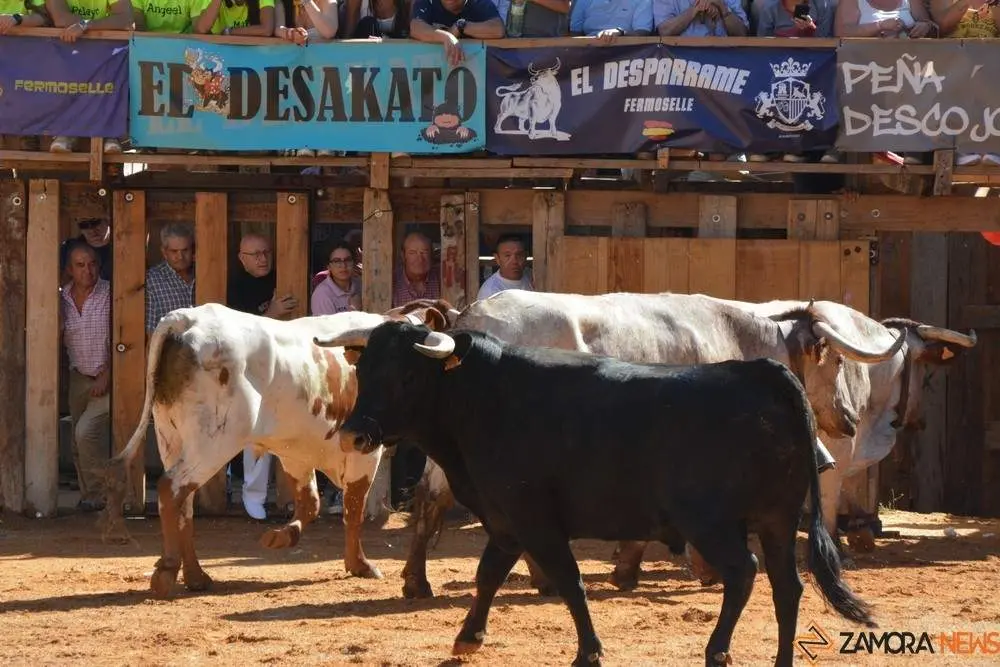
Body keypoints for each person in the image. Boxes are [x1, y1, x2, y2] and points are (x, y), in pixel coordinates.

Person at [227, 233, 299, 520]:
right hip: (249, 372)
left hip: (288, 366)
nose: (262, 258)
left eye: (266, 252)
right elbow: (240, 333)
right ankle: (253, 494)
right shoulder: (235, 287)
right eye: (254, 254)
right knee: (255, 434)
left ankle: (298, 496)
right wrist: (273, 312)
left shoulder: (286, 276)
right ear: (241, 258)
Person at [60, 240, 112, 512]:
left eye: (92, 264)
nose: (87, 270)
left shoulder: (111, 293)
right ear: (69, 269)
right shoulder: (61, 298)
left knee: (86, 433)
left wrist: (110, 373)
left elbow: (127, 337)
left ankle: (102, 494)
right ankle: (89, 495)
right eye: (80, 265)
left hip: (107, 374)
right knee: (77, 442)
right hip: (78, 375)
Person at [410, 0, 505, 67]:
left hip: (473, 71)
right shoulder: (427, 2)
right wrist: (446, 36)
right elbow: (416, 28)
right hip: (430, 71)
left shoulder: (479, 3)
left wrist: (460, 26)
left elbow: (498, 29)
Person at [145, 223, 196, 335]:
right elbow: (149, 333)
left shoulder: (204, 274)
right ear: (164, 252)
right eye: (174, 251)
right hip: (170, 350)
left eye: (185, 250)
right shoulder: (152, 281)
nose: (180, 256)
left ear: (193, 250)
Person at [476, 233, 533, 300]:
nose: (514, 261)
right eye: (507, 256)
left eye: (519, 255)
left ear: (526, 256)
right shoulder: (491, 292)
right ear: (497, 258)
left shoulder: (531, 275)